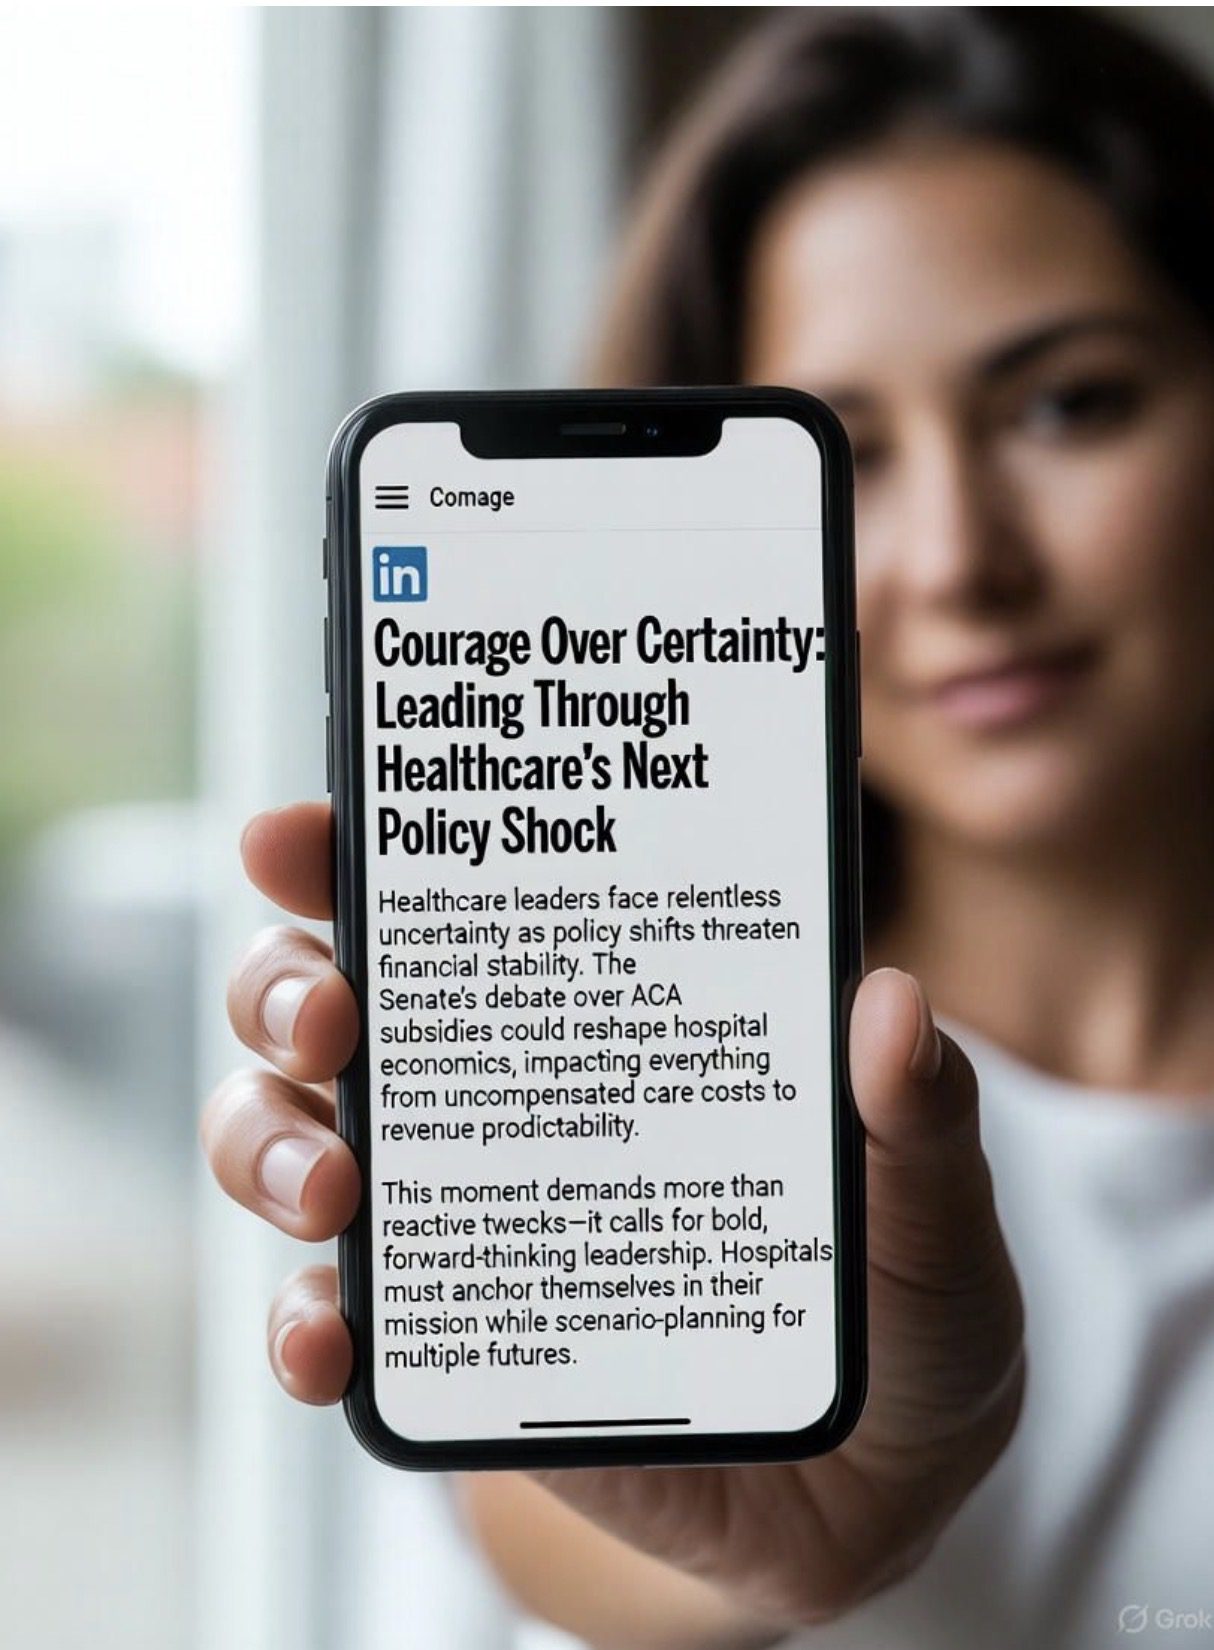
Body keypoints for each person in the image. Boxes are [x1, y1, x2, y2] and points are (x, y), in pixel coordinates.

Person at [200, 10, 1214, 1647]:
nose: (957, 557)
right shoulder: (655, 1075)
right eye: (843, 458)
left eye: (1068, 404)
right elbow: (562, 1528)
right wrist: (770, 1548)